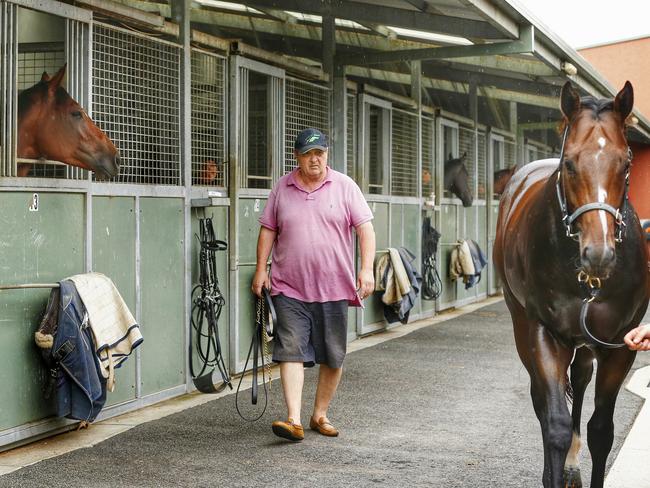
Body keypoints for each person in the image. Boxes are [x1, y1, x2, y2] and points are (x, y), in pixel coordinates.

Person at [251, 127, 376, 442]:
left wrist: (366, 269)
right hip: (288, 286)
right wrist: (260, 269)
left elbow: (365, 230)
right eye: (308, 154)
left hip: (333, 287)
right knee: (290, 349)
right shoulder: (282, 187)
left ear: (327, 154)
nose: (315, 159)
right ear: (297, 157)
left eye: (319, 153)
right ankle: (293, 419)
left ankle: (319, 414)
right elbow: (268, 229)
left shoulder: (345, 186)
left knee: (333, 356)